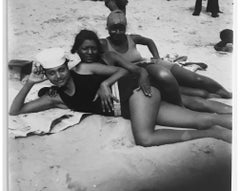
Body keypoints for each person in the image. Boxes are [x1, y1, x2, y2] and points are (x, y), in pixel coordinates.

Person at [10, 41, 232, 146]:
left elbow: (123, 69)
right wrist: (30, 82)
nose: (58, 76)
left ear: (67, 66)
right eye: (52, 74)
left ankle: (211, 134)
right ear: (46, 76)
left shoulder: (83, 69)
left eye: (60, 70)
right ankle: (216, 130)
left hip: (137, 93)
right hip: (134, 108)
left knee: (145, 139)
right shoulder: (56, 98)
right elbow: (15, 110)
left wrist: (105, 84)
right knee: (201, 119)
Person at [100, 10, 232, 112]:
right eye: (113, 28)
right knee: (196, 92)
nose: (117, 32)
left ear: (125, 28)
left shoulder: (132, 38)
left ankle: (225, 92)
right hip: (138, 74)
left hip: (151, 65)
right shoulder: (104, 44)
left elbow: (149, 41)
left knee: (197, 79)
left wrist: (156, 57)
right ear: (107, 28)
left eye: (121, 28)